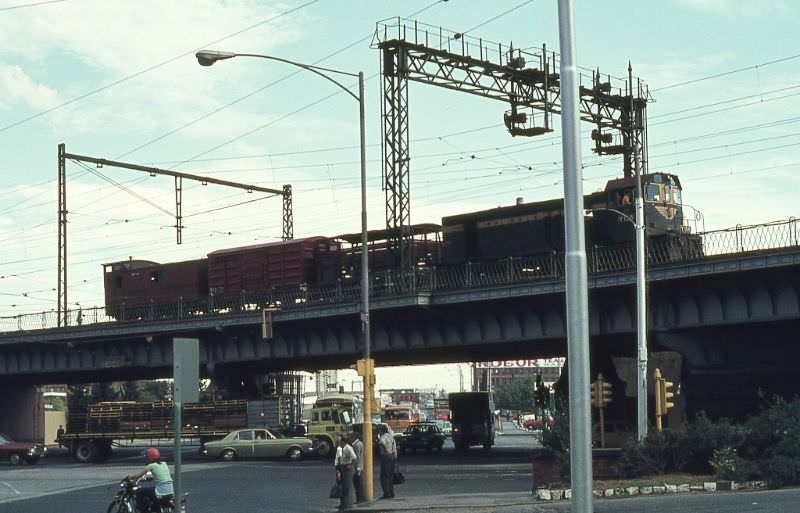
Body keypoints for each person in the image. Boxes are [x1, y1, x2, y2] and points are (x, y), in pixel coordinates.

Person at [125, 447, 174, 513]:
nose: (145, 459)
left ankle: (143, 510)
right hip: (169, 489)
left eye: (146, 457)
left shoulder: (151, 466)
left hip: (160, 490)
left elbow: (138, 475)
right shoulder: (164, 463)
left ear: (150, 458)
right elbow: (159, 474)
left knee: (139, 491)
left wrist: (129, 477)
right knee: (151, 491)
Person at [334, 436, 357, 509]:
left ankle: (348, 504)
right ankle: (343, 503)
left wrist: (350, 465)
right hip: (342, 468)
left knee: (347, 487)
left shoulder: (348, 448)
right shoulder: (341, 449)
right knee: (342, 487)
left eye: (339, 442)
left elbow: (355, 458)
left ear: (343, 442)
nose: (338, 443)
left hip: (348, 469)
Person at [377, 424, 397, 499]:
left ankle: (386, 493)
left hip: (386, 456)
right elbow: (395, 449)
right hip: (392, 456)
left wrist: (386, 451)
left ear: (381, 431)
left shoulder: (383, 437)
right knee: (390, 476)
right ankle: (391, 492)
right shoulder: (391, 437)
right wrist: (394, 458)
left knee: (384, 476)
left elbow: (383, 443)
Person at [349, 431, 365, 503]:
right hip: (360, 466)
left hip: (357, 467)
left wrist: (357, 467)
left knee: (358, 484)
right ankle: (360, 498)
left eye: (351, 437)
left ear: (354, 438)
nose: (350, 439)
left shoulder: (356, 445)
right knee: (359, 483)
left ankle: (360, 499)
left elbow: (357, 457)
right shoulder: (360, 443)